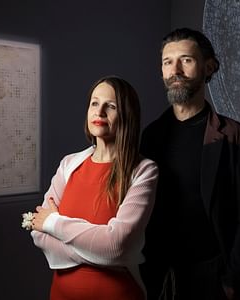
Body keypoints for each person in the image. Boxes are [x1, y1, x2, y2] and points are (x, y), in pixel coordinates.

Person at [139, 28, 240, 300]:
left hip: (218, 279)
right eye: (167, 62)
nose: (175, 70)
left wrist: (232, 282)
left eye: (186, 60)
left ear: (209, 67)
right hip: (164, 279)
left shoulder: (237, 136)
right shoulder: (151, 136)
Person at [29, 75, 158, 300]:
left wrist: (54, 223)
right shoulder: (69, 164)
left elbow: (116, 245)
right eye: (94, 103)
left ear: (127, 115)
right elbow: (38, 232)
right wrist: (103, 254)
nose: (99, 112)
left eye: (111, 106)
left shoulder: (144, 171)